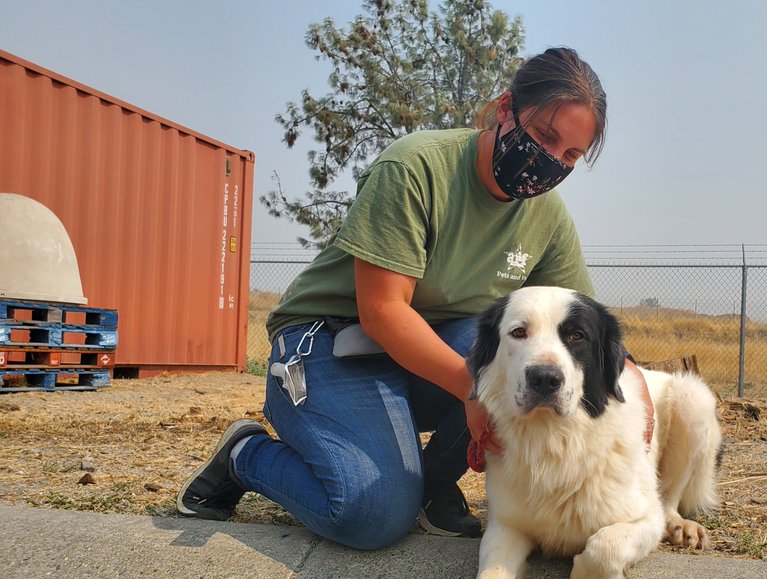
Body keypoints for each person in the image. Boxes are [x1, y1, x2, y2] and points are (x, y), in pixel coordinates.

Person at [176, 46, 653, 551]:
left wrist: (637, 396)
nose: (552, 162)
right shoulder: (416, 167)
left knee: (512, 340)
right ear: (506, 109)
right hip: (328, 342)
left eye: (571, 156)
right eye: (543, 137)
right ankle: (245, 455)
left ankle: (430, 487)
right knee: (370, 516)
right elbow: (382, 311)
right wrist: (473, 390)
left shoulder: (547, 216)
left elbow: (586, 331)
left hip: (422, 350)